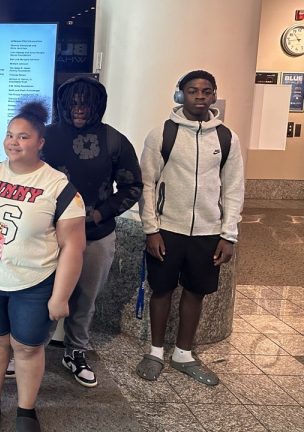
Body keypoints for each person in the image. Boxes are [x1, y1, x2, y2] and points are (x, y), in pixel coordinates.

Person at [0, 101, 86, 432]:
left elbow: (74, 246)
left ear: (40, 142)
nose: (13, 142)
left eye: (23, 137)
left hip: (33, 282)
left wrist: (60, 297)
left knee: (27, 347)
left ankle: (25, 410)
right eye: (9, 135)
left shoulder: (58, 186)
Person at [136, 70, 244, 386]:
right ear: (180, 93)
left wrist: (228, 234)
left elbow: (234, 187)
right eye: (192, 90)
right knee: (162, 289)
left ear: (214, 95)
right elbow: (147, 183)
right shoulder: (162, 134)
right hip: (168, 228)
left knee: (196, 291)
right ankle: (155, 351)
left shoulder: (227, 138)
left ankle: (183, 353)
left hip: (208, 232)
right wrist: (151, 229)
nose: (200, 96)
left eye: (206, 91)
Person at [42, 77, 143, 387]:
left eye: (86, 102)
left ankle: (75, 350)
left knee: (86, 296)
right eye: (73, 101)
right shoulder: (44, 137)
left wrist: (100, 213)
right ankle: (29, 350)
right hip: (47, 234)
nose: (79, 108)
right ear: (63, 103)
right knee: (40, 295)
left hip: (95, 234)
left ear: (98, 104)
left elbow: (132, 186)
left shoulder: (114, 140)